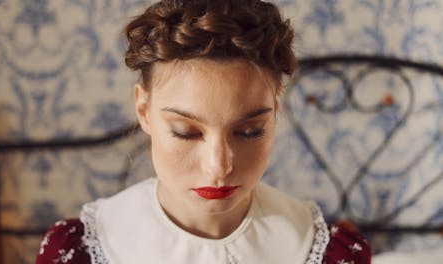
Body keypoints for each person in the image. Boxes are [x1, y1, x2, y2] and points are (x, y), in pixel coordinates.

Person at [36, 0, 371, 263]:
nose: (219, 166)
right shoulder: (79, 252)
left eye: (250, 131)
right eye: (186, 132)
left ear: (275, 112)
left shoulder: (330, 254)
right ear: (143, 111)